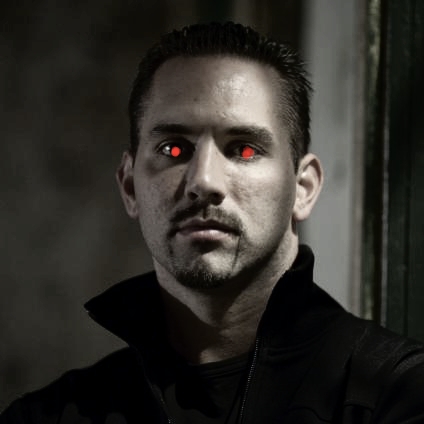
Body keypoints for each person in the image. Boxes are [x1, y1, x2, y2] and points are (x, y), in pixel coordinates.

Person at [1, 22, 424, 424]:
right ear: (130, 187)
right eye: (173, 148)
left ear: (303, 188)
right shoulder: (49, 417)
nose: (203, 181)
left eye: (243, 149)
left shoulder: (398, 396)